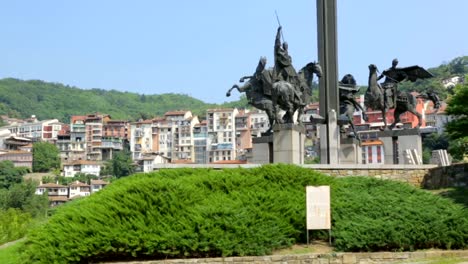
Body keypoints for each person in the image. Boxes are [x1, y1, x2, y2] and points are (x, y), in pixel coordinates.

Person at [273, 26, 303, 105]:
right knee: (292, 82)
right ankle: (296, 98)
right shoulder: (279, 52)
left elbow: (289, 60)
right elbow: (277, 43)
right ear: (282, 46)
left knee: (298, 80)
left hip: (290, 71)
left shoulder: (286, 53)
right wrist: (278, 32)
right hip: (284, 72)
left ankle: (298, 97)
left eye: (287, 45)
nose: (286, 46)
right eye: (285, 45)